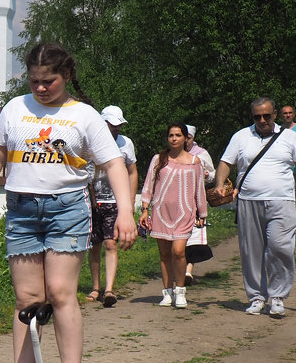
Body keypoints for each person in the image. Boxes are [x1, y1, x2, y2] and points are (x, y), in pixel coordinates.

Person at [0, 42, 135, 363]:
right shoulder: (15, 109)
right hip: (22, 209)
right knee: (27, 299)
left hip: (68, 209)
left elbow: (114, 164)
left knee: (60, 292)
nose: (41, 88)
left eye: (49, 81)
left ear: (67, 76)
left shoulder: (85, 116)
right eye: (34, 81)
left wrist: (125, 211)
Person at [213, 97, 296, 317]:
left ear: (275, 114)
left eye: (266, 116)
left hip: (282, 200)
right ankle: (257, 297)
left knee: (281, 248)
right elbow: (226, 163)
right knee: (251, 252)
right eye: (257, 116)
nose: (262, 120)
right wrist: (220, 184)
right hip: (249, 201)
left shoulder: (289, 137)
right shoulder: (241, 137)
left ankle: (277, 296)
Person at [138, 124, 207, 308]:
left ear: (186, 137)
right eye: (171, 135)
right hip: (161, 211)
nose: (174, 139)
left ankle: (180, 291)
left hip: (184, 212)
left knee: (178, 251)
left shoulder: (194, 162)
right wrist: (145, 209)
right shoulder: (158, 159)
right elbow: (148, 184)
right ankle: (167, 292)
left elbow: (199, 188)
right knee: (164, 254)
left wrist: (202, 212)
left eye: (178, 135)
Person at [86, 105, 138, 307]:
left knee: (111, 243)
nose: (116, 129)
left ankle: (109, 289)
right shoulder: (90, 141)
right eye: (112, 125)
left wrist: (130, 202)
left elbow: (132, 172)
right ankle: (96, 287)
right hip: (92, 200)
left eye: (119, 125)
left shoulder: (125, 144)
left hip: (114, 201)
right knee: (94, 244)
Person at [183, 124, 216, 279]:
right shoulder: (175, 154)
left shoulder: (201, 154)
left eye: (188, 138)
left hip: (196, 199)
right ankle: (180, 268)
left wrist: (207, 174)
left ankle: (188, 271)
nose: (186, 141)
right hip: (179, 199)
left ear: (193, 138)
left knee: (194, 236)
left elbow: (213, 173)